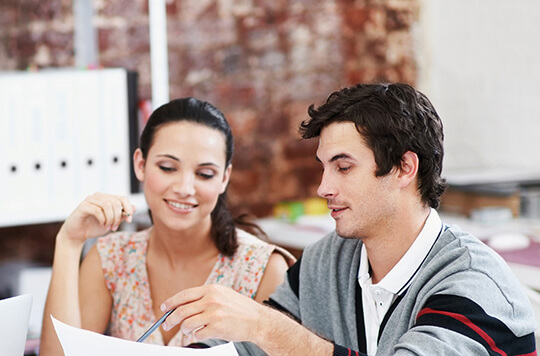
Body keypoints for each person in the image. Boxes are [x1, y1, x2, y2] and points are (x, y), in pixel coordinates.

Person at [158, 83, 537, 355]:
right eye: (324, 168)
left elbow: (269, 334)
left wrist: (265, 326)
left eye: (343, 167)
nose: (324, 187)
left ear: (404, 168)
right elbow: (243, 349)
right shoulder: (328, 259)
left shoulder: (472, 285)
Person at [39, 97, 295, 355]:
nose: (184, 188)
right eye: (167, 167)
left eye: (205, 174)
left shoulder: (263, 268)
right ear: (141, 164)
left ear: (224, 178)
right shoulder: (112, 258)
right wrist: (68, 243)